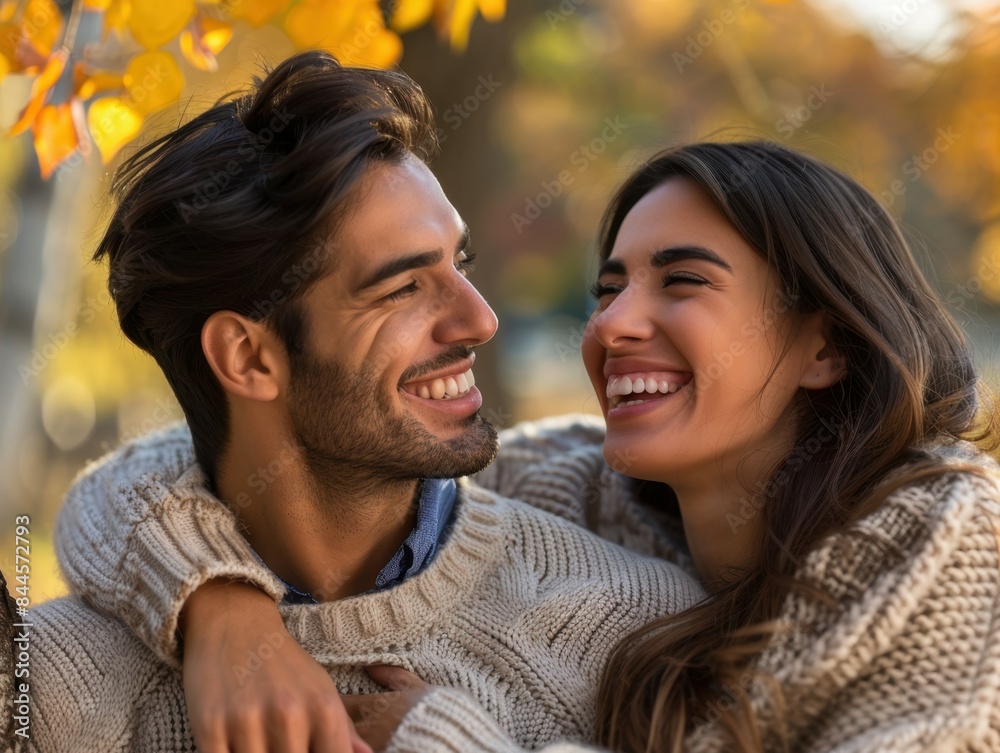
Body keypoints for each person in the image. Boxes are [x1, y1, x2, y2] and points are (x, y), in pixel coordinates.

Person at [57, 138, 1000, 753]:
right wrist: (222, 609)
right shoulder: (578, 490)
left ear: (826, 343)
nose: (616, 324)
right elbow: (188, 464)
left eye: (681, 281)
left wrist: (449, 739)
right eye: (609, 287)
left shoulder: (943, 536)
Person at [22, 51, 703, 752]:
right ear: (249, 357)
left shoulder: (635, 631)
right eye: (403, 288)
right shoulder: (44, 688)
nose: (479, 321)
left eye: (458, 263)